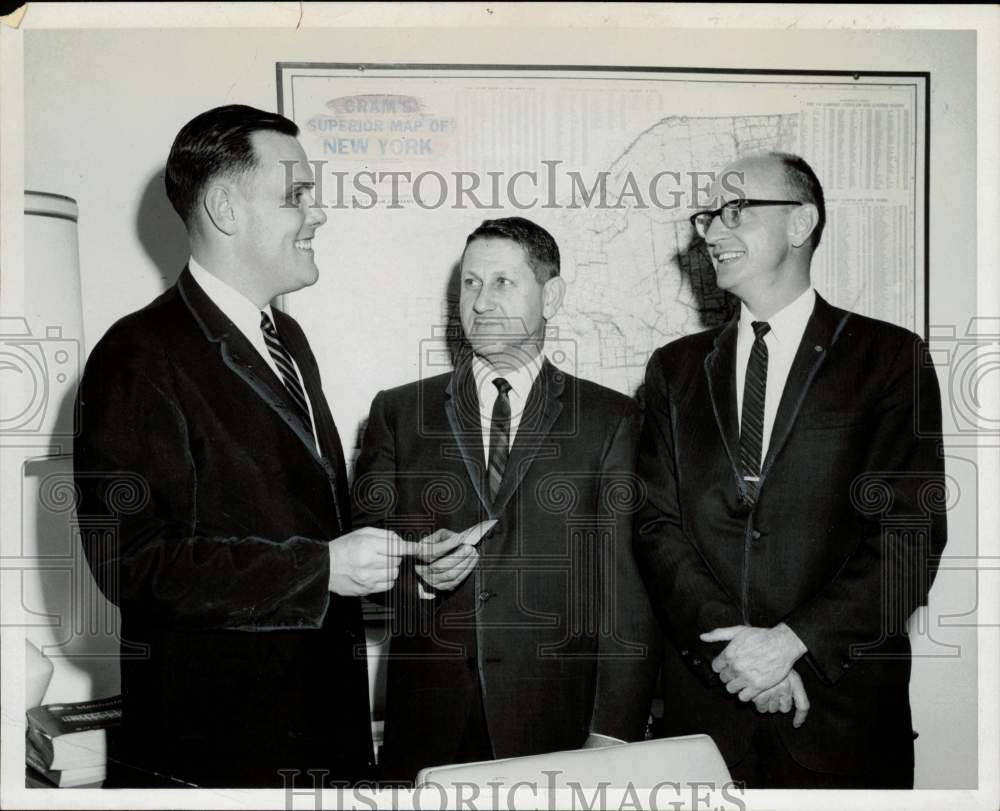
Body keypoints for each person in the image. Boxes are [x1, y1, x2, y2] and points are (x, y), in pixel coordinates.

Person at [73, 104, 416, 788]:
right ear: (227, 207)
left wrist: (397, 562)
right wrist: (320, 569)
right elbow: (131, 560)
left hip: (325, 743)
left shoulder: (289, 343)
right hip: (221, 760)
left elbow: (301, 524)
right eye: (297, 195)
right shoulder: (137, 353)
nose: (317, 215)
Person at [634, 152, 946, 788]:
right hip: (706, 721)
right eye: (708, 217)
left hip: (841, 718)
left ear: (801, 223)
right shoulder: (674, 369)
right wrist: (738, 652)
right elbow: (654, 525)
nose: (712, 233)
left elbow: (909, 535)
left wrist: (792, 643)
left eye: (735, 212)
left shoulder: (889, 358)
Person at [352, 217, 660, 783]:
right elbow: (364, 556)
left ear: (553, 295)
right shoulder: (398, 413)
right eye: (470, 283)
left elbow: (628, 591)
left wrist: (613, 730)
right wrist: (417, 579)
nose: (482, 301)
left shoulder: (609, 419)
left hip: (557, 724)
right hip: (428, 726)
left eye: (502, 283)